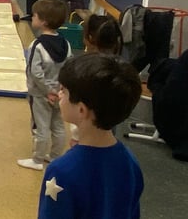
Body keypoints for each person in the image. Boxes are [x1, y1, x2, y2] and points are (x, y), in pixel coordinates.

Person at [39, 54, 143, 218]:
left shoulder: (61, 171)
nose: (59, 94)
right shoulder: (130, 162)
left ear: (81, 110)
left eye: (64, 91)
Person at [18, 0, 72, 171]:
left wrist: (47, 90)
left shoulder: (37, 45)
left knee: (40, 125)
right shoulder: (66, 44)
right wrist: (60, 89)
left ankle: (37, 159)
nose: (31, 18)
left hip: (40, 94)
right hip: (59, 92)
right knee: (58, 125)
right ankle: (56, 156)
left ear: (43, 21)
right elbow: (69, 67)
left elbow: (35, 72)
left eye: (34, 16)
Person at [70, 14, 123, 145]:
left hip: (88, 131)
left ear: (89, 38)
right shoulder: (120, 66)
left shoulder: (85, 68)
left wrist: (76, 136)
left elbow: (80, 105)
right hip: (109, 128)